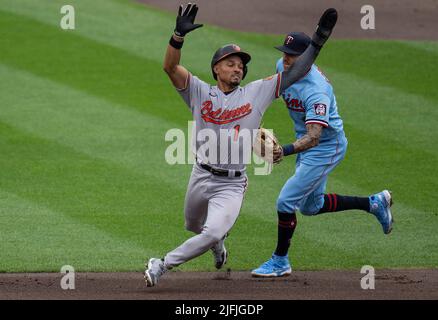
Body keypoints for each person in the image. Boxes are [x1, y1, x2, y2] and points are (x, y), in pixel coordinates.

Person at [144, 3, 338, 287]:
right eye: (231, 63)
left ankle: (162, 264)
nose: (238, 68)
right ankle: (219, 242)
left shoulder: (256, 93)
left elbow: (297, 72)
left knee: (208, 233)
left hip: (231, 184)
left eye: (241, 65)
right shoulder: (198, 91)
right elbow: (169, 67)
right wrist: (177, 36)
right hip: (200, 174)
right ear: (216, 69)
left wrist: (318, 40)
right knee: (195, 227)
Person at [251, 32, 394, 278]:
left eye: (292, 55)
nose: (285, 59)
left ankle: (280, 261)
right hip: (306, 144)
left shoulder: (316, 91)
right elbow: (270, 89)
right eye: (284, 53)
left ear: (306, 57)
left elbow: (314, 136)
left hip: (327, 147)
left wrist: (283, 150)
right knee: (311, 206)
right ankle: (374, 203)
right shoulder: (282, 66)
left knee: (285, 201)